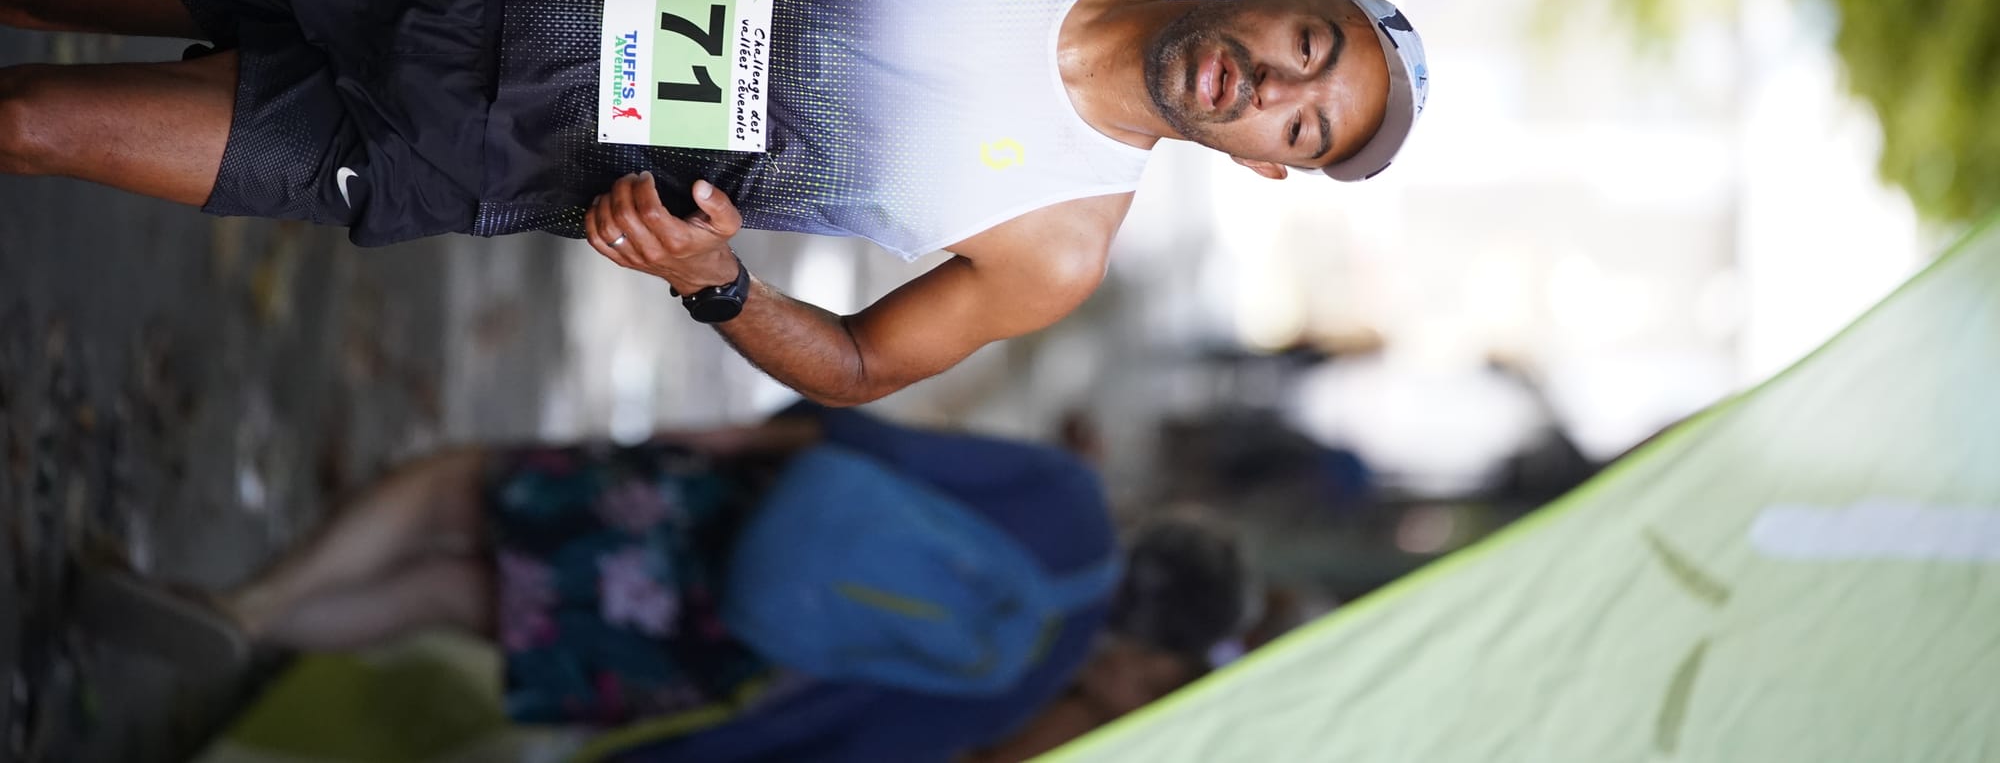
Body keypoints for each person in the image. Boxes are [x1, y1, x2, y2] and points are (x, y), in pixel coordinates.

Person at [0, 0, 1429, 403]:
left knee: (35, 122)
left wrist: (716, 285)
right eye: (1309, 52)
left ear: (1267, 169)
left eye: (1304, 127)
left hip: (480, 148)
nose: (1269, 90)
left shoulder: (1056, 241)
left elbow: (866, 366)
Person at [78, 407, 1249, 763]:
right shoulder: (1018, 688)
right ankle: (254, 624)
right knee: (462, 599)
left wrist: (736, 436)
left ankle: (250, 608)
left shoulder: (1068, 502)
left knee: (456, 489)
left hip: (718, 512)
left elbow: (874, 443)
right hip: (718, 636)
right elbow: (845, 733)